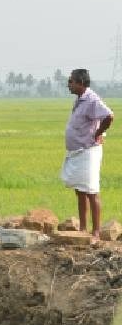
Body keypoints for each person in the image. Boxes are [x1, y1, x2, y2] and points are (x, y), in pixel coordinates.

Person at [62, 68, 114, 239]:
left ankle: (96, 232)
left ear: (81, 83)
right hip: (77, 152)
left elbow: (108, 116)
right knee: (80, 190)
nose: (69, 84)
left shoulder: (92, 99)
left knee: (91, 190)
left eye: (71, 81)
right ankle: (83, 228)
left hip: (88, 151)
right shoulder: (80, 99)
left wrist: (99, 133)